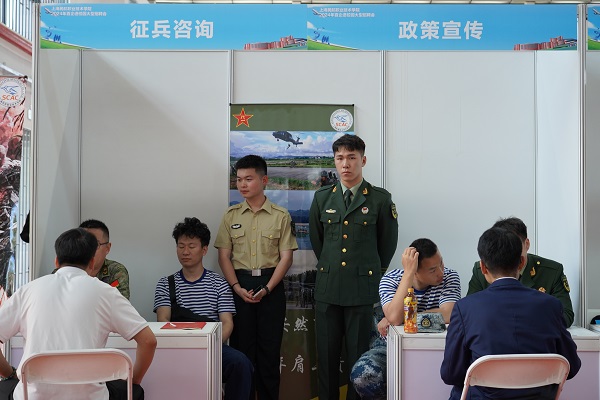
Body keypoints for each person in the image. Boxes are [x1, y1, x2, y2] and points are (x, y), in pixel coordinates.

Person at [0, 228, 156, 400]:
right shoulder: (106, 292)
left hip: (31, 396)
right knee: (133, 391)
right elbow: (148, 341)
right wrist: (134, 381)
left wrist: (9, 373)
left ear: (56, 261)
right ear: (92, 262)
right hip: (91, 397)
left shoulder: (29, 291)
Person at [441, 227, 580, 400]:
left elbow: (450, 374)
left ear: (483, 267)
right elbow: (572, 366)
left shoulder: (465, 308)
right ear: (521, 262)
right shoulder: (551, 305)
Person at [308, 134, 398, 400]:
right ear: (334, 162)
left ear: (363, 160)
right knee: (326, 359)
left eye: (351, 157)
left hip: (362, 291)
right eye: (340, 158)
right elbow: (318, 242)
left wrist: (369, 275)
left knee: (359, 360)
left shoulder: (380, 199)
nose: (345, 164)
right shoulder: (322, 198)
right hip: (328, 290)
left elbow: (387, 245)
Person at [215, 154, 298, 400]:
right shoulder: (231, 215)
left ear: (264, 180)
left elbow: (286, 258)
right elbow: (223, 256)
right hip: (239, 286)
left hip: (270, 286)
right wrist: (236, 287)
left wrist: (268, 288)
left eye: (248, 179)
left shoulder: (280, 215)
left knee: (269, 354)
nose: (242, 184)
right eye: (239, 179)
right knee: (242, 354)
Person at [153, 217, 253, 400]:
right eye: (181, 246)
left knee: (241, 363)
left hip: (211, 347)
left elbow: (227, 323)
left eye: (191, 246)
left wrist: (208, 346)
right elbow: (162, 321)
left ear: (204, 249)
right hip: (176, 348)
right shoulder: (166, 284)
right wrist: (186, 347)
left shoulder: (219, 284)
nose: (185, 252)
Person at [351, 238, 461, 399]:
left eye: (441, 264)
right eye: (432, 270)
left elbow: (449, 313)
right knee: (362, 376)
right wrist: (408, 275)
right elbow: (395, 318)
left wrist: (404, 318)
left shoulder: (449, 277)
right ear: (414, 270)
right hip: (389, 345)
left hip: (436, 345)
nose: (441, 272)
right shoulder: (391, 279)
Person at [466, 217, 574, 326]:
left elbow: (566, 316)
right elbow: (470, 312)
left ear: (526, 244)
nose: (508, 252)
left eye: (515, 246)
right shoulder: (484, 269)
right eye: (503, 247)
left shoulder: (551, 271)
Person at [52, 219, 131, 299]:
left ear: (107, 248)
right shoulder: (63, 271)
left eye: (95, 244)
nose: (88, 249)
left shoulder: (115, 271)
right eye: (83, 244)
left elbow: (120, 303)